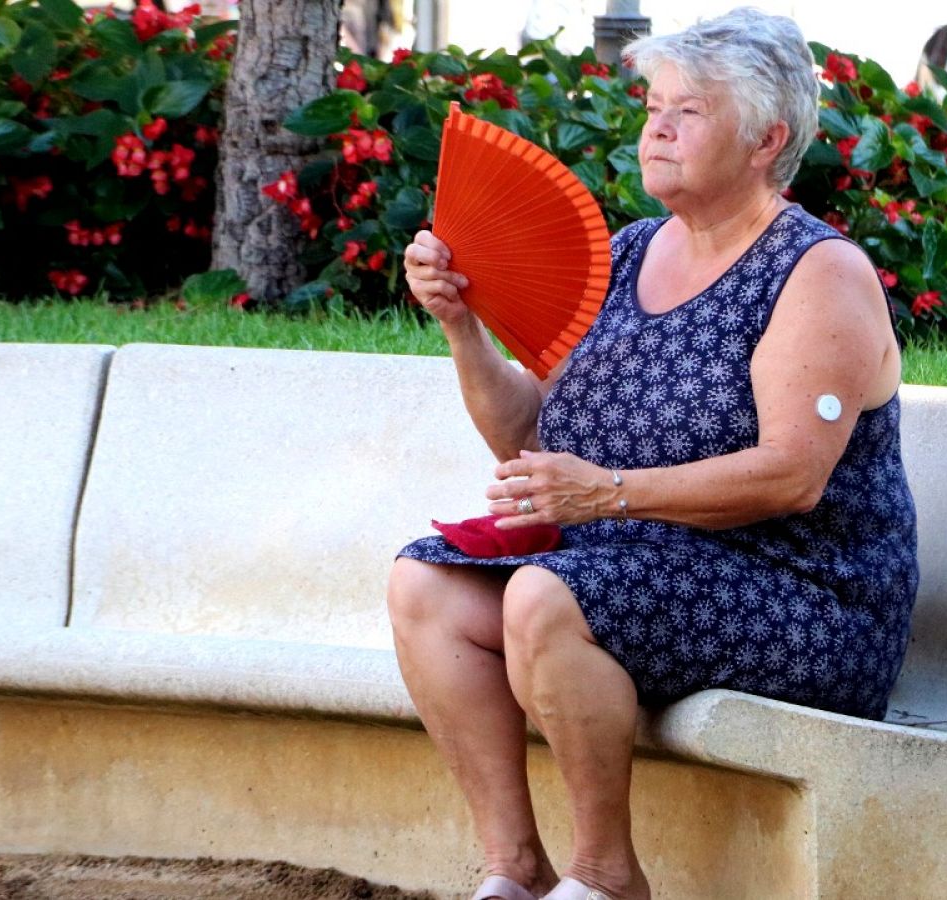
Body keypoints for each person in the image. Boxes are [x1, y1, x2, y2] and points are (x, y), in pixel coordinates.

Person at [387, 8, 918, 900]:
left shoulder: (817, 271)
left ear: (766, 139)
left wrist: (610, 495)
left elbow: (794, 474)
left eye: (690, 112)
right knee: (424, 588)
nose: (657, 129)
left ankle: (604, 876)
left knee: (545, 596)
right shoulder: (628, 252)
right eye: (653, 106)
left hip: (802, 593)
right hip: (639, 566)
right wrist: (462, 329)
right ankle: (513, 872)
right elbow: (530, 438)